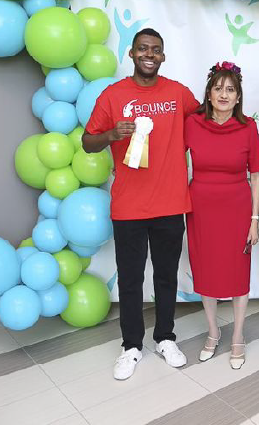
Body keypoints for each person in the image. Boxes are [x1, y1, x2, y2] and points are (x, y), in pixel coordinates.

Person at [82, 28, 200, 380]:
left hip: (169, 203)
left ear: (162, 56)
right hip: (129, 208)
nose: (150, 54)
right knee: (131, 280)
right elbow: (88, 142)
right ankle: (131, 346)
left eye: (157, 50)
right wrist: (109, 135)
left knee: (166, 277)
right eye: (143, 48)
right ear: (132, 54)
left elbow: (207, 119)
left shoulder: (178, 93)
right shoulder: (113, 95)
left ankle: (165, 337)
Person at [184, 61, 259, 370]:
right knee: (205, 270)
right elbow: (171, 158)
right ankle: (213, 332)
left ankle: (238, 336)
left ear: (239, 97)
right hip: (200, 208)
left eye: (230, 89)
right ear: (208, 93)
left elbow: (256, 175)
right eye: (218, 88)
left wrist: (254, 220)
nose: (223, 94)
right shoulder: (192, 123)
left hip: (237, 208)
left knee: (236, 272)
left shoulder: (247, 128)